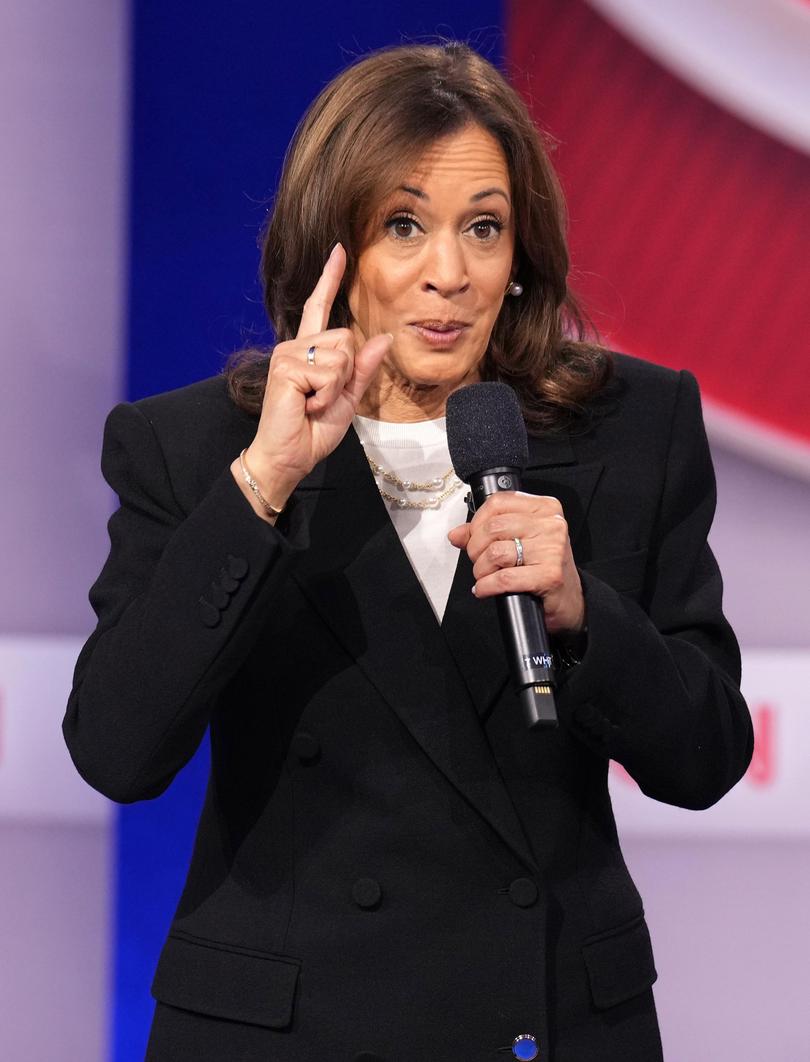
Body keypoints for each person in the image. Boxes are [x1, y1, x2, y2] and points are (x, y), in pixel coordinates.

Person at [64, 42, 753, 1062]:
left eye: (484, 227)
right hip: (287, 1029)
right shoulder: (197, 446)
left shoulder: (631, 427)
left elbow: (707, 757)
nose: (450, 273)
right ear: (330, 245)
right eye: (403, 225)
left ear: (521, 252)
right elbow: (116, 751)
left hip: (548, 1017)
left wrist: (582, 610)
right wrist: (263, 485)